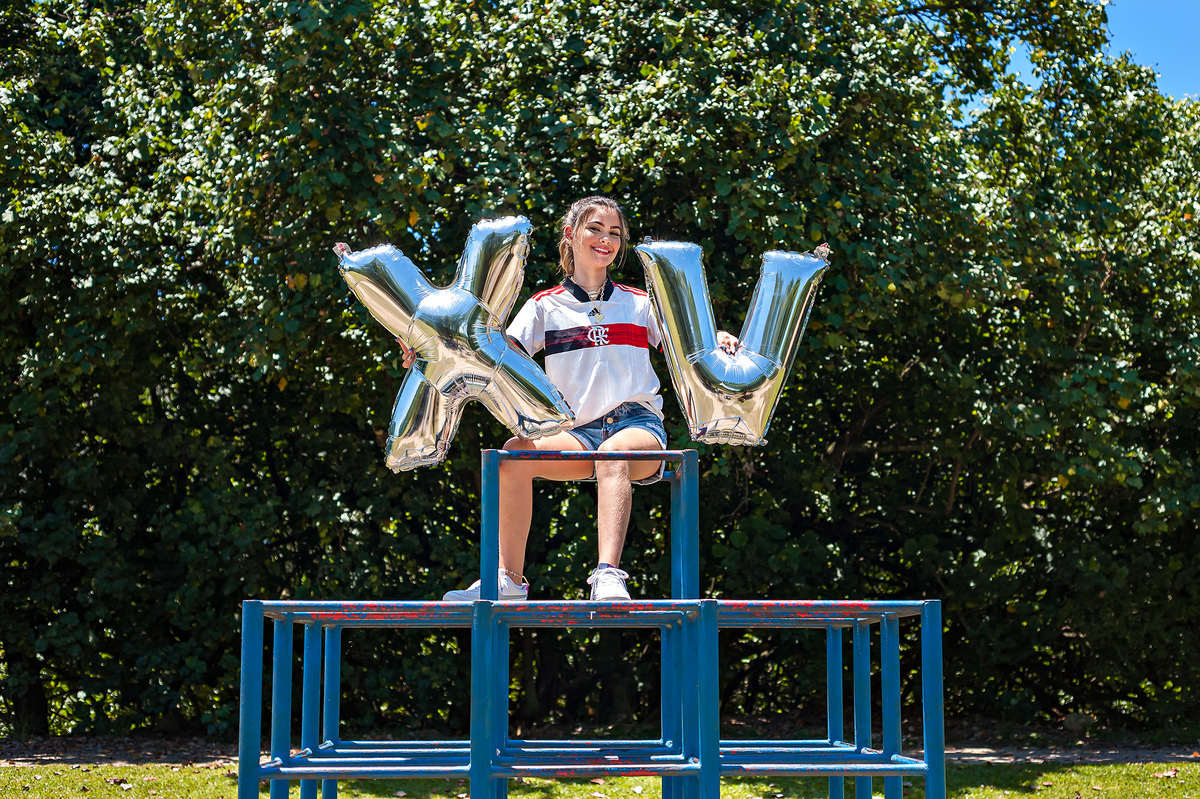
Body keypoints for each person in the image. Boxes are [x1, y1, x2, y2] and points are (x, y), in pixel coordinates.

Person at [402, 196, 738, 601]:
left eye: (615, 233)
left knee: (614, 453)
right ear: (571, 234)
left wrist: (718, 340)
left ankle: (608, 574)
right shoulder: (545, 307)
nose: (605, 239)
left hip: (636, 426)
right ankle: (508, 579)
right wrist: (428, 353)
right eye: (595, 229)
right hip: (576, 432)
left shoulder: (640, 303)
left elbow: (689, 342)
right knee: (513, 456)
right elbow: (491, 354)